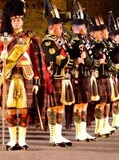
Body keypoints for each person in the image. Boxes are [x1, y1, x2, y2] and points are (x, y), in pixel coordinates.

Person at [0, 0, 48, 151]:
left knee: (24, 110)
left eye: (19, 19)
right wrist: (1, 58)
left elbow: (37, 61)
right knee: (11, 109)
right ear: (10, 20)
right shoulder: (3, 39)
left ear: (22, 20)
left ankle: (23, 140)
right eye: (14, 19)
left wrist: (37, 81)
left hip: (27, 76)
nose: (16, 22)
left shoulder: (29, 39)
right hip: (10, 76)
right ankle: (12, 140)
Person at [40, 9, 74, 147]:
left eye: (61, 26)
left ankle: (58, 135)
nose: (61, 29)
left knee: (60, 106)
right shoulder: (48, 42)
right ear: (51, 28)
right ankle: (53, 136)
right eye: (59, 27)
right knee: (53, 107)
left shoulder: (62, 41)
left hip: (63, 77)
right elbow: (58, 60)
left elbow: (67, 56)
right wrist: (72, 61)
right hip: (54, 77)